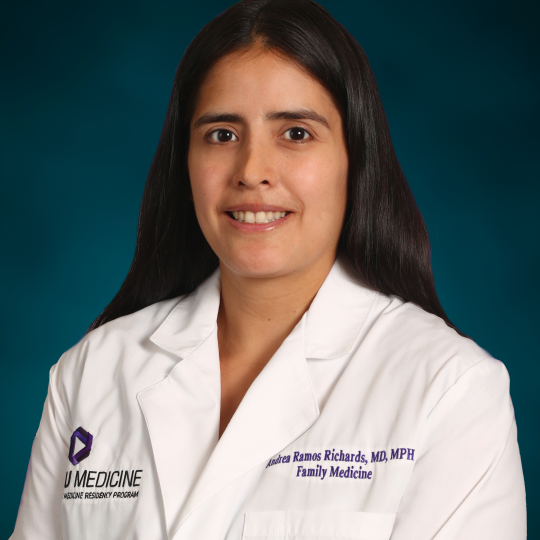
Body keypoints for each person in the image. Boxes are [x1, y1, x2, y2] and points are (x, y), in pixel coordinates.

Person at [10, 0, 526, 538]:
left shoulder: (450, 390)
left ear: (356, 159)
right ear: (184, 162)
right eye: (222, 134)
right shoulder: (92, 371)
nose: (252, 171)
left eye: (296, 133)